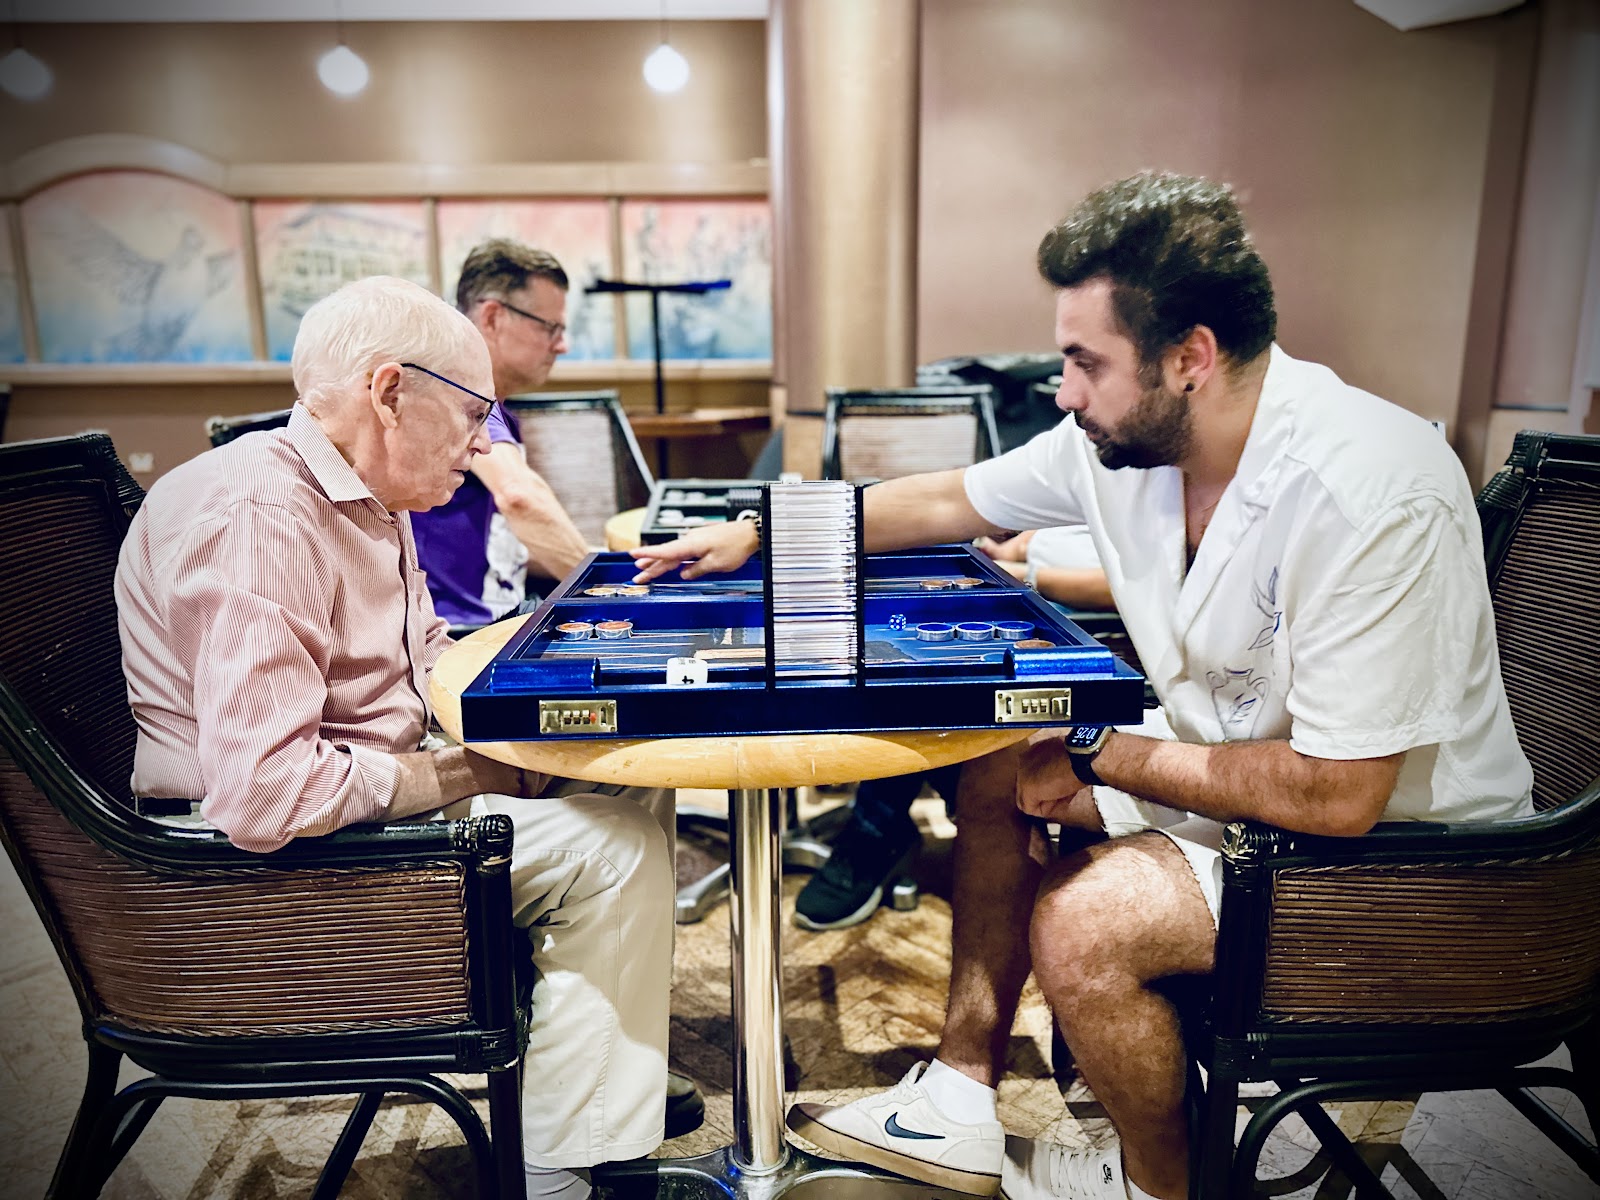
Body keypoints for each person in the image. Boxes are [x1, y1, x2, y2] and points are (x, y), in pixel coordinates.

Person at [630, 172, 1534, 1200]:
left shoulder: (1374, 486)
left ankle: (1161, 1187)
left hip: (1410, 869)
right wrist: (757, 534)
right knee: (997, 763)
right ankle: (960, 1099)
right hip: (1256, 785)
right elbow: (947, 499)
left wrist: (1104, 752)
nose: (1062, 391)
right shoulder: (1125, 442)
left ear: (1189, 359)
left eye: (1084, 363)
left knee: (1084, 920)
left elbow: (1339, 794)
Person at [116, 276, 677, 1200]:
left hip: (347, 814)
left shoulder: (365, 496)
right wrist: (467, 772)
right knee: (614, 853)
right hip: (264, 878)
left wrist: (549, 689)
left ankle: (600, 1078)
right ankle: (564, 1171)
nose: (484, 442)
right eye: (474, 413)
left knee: (624, 768)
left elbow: (425, 664)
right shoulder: (262, 517)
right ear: (388, 392)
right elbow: (268, 797)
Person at [794, 527, 1112, 932]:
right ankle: (903, 814)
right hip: (1012, 579)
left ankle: (879, 827)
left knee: (923, 680)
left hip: (1067, 617)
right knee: (902, 655)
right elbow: (1060, 521)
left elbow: (1121, 582)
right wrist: (1015, 546)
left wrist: (1016, 572)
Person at [410, 239, 591, 627]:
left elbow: (507, 545)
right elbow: (519, 497)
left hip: (492, 615)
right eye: (550, 328)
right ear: (492, 317)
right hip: (458, 632)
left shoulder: (488, 405)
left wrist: (603, 557)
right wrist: (611, 586)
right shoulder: (461, 399)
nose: (562, 345)